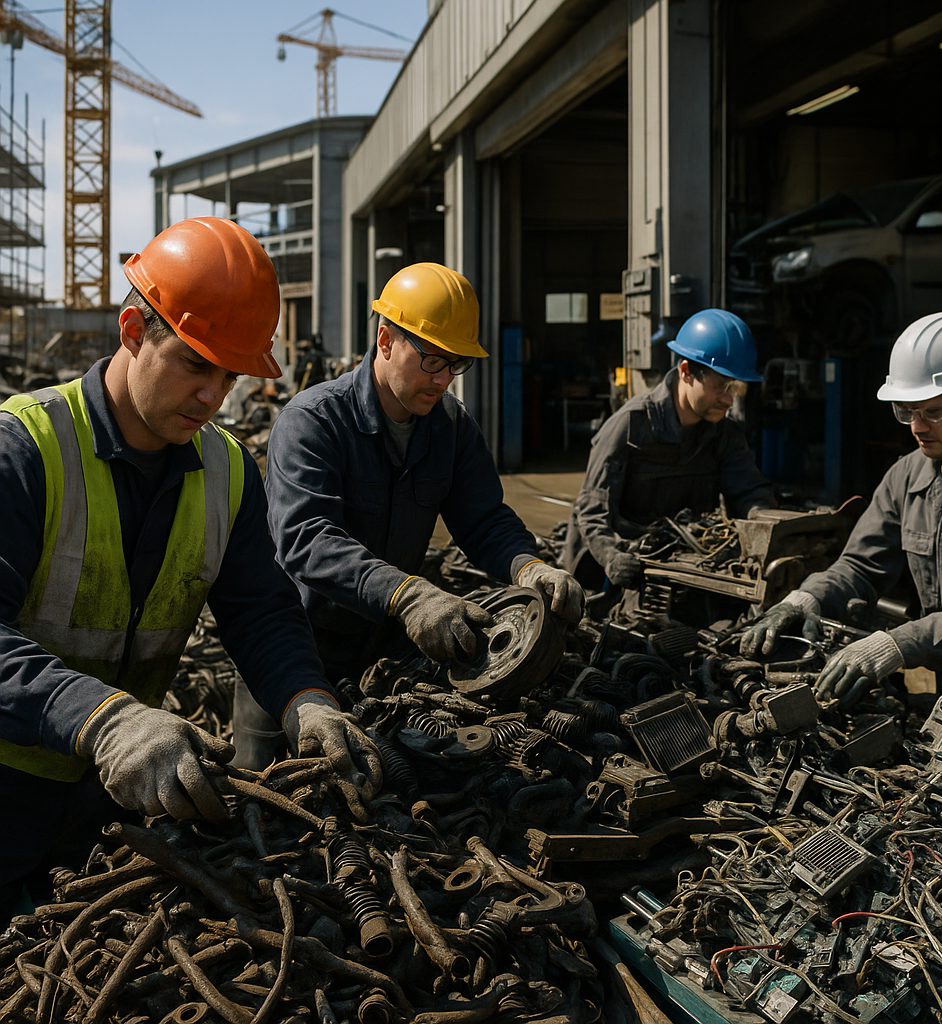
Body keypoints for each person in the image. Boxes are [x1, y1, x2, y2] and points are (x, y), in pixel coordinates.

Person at [0, 217, 375, 928]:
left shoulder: (227, 469)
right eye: (196, 364)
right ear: (134, 330)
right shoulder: (26, 448)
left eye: (230, 375)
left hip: (112, 803)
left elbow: (259, 610)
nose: (214, 398)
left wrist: (306, 698)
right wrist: (104, 719)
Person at [233, 262, 584, 765]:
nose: (443, 380)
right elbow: (306, 538)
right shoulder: (313, 421)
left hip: (382, 653)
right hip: (294, 654)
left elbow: (483, 518)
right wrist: (407, 593)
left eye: (455, 365)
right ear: (384, 340)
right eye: (430, 361)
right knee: (267, 798)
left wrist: (529, 567)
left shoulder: (451, 427)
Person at [740, 311, 942, 722]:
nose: (917, 427)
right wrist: (807, 597)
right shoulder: (907, 476)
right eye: (907, 411)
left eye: (935, 411)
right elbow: (860, 566)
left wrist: (895, 646)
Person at [561, 308, 774, 590]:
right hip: (604, 572)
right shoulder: (629, 426)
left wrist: (766, 519)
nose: (728, 399)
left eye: (734, 387)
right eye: (721, 385)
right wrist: (612, 557)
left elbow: (747, 491)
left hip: (676, 563)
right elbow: (592, 510)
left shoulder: (724, 432)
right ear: (686, 372)